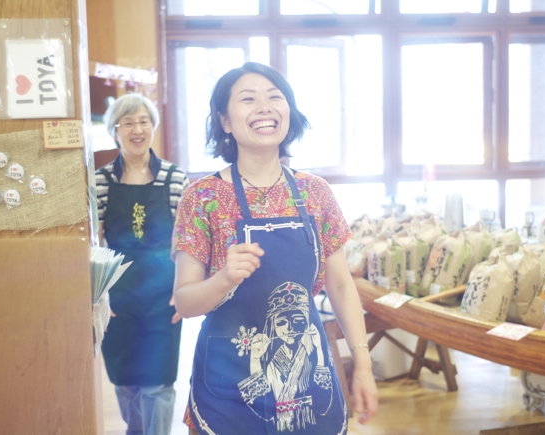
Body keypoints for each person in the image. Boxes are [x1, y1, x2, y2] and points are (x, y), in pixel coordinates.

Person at [172, 62, 378, 434]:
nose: (265, 107)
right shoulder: (202, 198)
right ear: (225, 121)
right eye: (248, 99)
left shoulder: (316, 192)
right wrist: (224, 278)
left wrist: (362, 364)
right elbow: (185, 302)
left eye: (274, 97)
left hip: (307, 381)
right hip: (228, 386)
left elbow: (341, 285)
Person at [96, 93, 189, 435]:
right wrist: (98, 296)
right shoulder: (101, 181)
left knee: (158, 384)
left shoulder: (175, 178)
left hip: (164, 294)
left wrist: (184, 290)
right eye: (128, 123)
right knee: (126, 383)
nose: (137, 129)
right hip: (118, 297)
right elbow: (93, 243)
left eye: (144, 122)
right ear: (115, 131)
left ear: (153, 127)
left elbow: (188, 241)